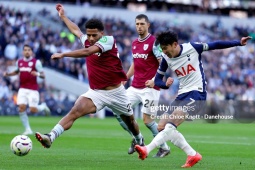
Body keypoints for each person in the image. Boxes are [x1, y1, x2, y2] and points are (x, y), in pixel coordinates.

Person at [134, 30, 252, 168]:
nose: (164, 52)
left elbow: (216, 44)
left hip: (197, 94)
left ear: (174, 44)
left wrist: (238, 42)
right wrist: (164, 85)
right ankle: (192, 154)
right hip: (181, 95)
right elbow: (158, 80)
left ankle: (146, 149)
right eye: (162, 49)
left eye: (165, 48)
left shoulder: (193, 48)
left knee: (171, 125)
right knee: (161, 126)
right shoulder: (166, 59)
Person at [35, 4, 144, 149]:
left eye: (94, 35)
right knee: (75, 110)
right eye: (89, 35)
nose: (91, 38)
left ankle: (139, 139)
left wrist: (63, 54)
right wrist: (63, 17)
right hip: (96, 92)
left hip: (117, 92)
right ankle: (50, 136)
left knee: (130, 122)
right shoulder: (87, 39)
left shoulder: (108, 40)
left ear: (102, 33)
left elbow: (87, 52)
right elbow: (76, 30)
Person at [115, 14, 170, 157]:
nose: (139, 27)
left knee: (147, 120)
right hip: (135, 86)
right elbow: (135, 63)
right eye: (137, 24)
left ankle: (164, 147)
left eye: (142, 24)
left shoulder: (154, 43)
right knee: (118, 111)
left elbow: (162, 64)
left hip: (150, 88)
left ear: (148, 25)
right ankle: (137, 139)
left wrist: (155, 80)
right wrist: (125, 77)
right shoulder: (134, 43)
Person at [4, 44, 51, 135]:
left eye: (29, 50)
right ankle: (28, 129)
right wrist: (9, 74)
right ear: (22, 52)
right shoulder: (19, 62)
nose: (27, 51)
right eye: (25, 50)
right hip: (22, 89)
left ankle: (43, 106)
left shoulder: (36, 62)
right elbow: (17, 71)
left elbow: (43, 75)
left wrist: (37, 74)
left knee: (33, 109)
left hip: (33, 89)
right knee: (21, 108)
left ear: (31, 52)